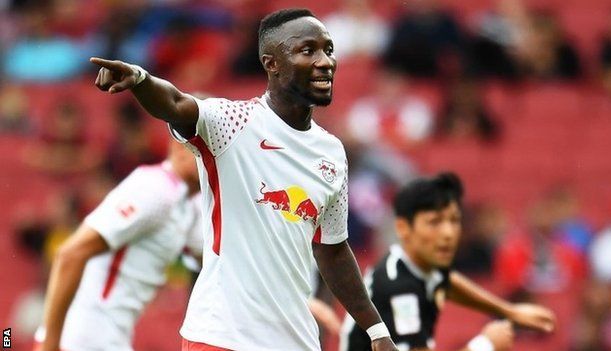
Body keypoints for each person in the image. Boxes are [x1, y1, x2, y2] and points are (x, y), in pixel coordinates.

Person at [89, 8, 398, 351]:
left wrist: (375, 329)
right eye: (307, 50)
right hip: (223, 337)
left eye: (328, 49)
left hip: (295, 342)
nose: (325, 61)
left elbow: (334, 251)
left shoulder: (331, 153)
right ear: (272, 63)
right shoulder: (232, 122)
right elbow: (176, 103)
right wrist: (141, 79)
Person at [341, 173, 556, 351]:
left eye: (453, 220)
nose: (447, 233)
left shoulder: (409, 265)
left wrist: (508, 311)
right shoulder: (399, 287)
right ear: (405, 229)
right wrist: (486, 344)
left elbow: (445, 281)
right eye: (434, 222)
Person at [35, 141, 204, 351]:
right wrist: (49, 345)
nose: (213, 161)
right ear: (180, 148)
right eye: (206, 150)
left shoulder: (188, 205)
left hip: (111, 338)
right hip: (83, 338)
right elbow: (71, 254)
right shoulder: (155, 189)